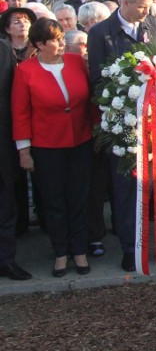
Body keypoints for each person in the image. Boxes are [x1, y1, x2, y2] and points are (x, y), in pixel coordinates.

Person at [88, 0, 156, 272]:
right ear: (124, 3)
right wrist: (130, 90)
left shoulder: (154, 25)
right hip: (124, 122)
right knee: (126, 183)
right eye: (141, 7)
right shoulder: (100, 33)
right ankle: (130, 246)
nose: (146, 13)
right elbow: (97, 80)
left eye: (149, 8)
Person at [12, 18, 93, 277]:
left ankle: (79, 250)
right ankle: (60, 252)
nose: (61, 44)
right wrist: (24, 151)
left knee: (79, 198)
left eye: (61, 38)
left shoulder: (76, 62)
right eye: (55, 40)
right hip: (47, 147)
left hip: (81, 142)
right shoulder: (25, 70)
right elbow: (20, 113)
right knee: (54, 201)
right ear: (39, 44)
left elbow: (91, 100)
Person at [0, 39, 31, 281]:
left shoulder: (2, 48)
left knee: (5, 206)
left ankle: (5, 261)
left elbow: (13, 96)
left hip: (2, 143)